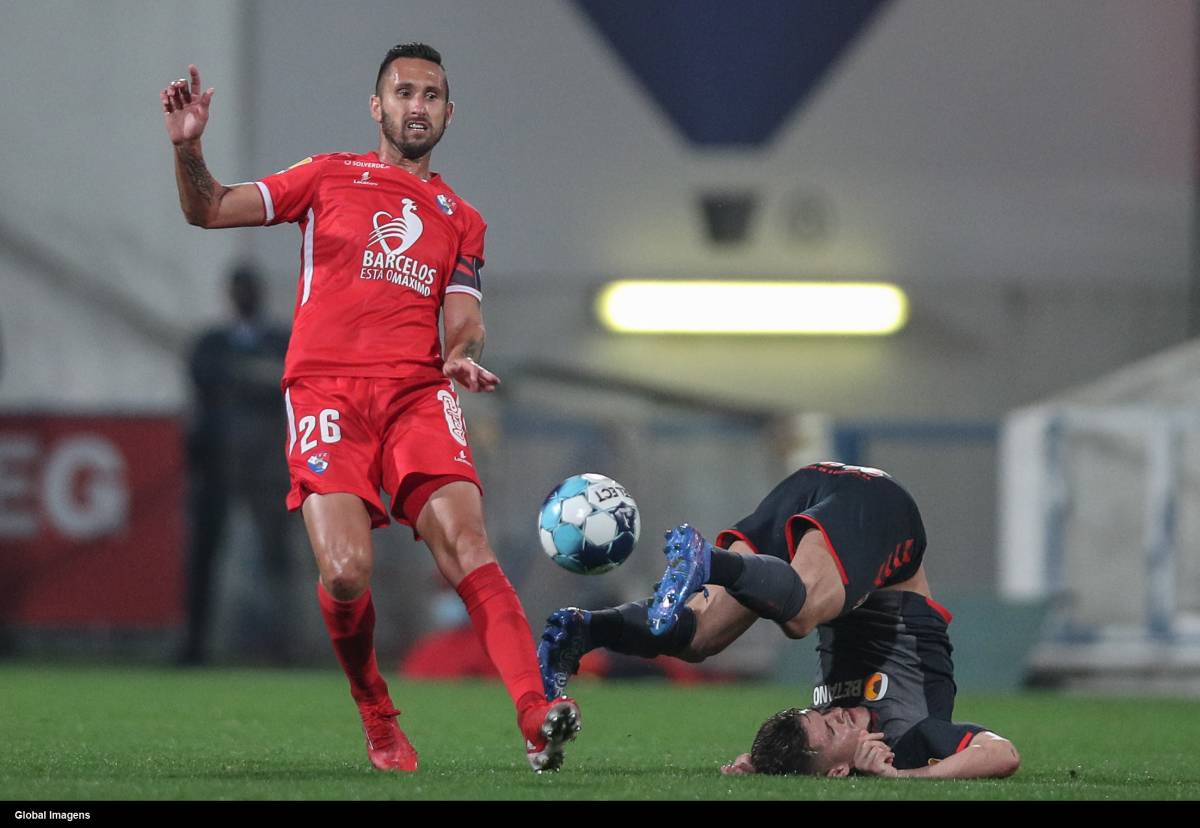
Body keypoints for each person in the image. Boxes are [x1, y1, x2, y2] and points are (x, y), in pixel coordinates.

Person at [160, 43, 579, 773]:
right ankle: (378, 713)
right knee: (348, 572)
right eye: (403, 91)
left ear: (448, 112)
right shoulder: (325, 177)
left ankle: (535, 712)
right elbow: (208, 209)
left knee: (468, 546)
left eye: (431, 95)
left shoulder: (461, 216)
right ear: (377, 106)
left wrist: (459, 352)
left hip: (418, 393)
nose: (417, 105)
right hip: (326, 392)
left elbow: (465, 314)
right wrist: (189, 148)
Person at [538, 461, 1020, 778]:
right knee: (801, 615)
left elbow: (794, 757)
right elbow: (1002, 754)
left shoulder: (830, 750)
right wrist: (907, 776)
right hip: (882, 511)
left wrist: (760, 765)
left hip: (810, 494)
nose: (836, 715)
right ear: (839, 771)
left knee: (702, 637)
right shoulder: (910, 743)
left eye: (820, 716)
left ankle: (588, 629)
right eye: (833, 728)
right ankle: (710, 563)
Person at [180, 264, 292, 666]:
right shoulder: (211, 342)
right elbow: (204, 378)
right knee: (205, 556)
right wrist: (257, 377)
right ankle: (195, 646)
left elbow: (291, 381)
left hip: (269, 467)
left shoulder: (282, 338)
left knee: (277, 558)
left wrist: (247, 378)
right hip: (218, 467)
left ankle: (282, 647)